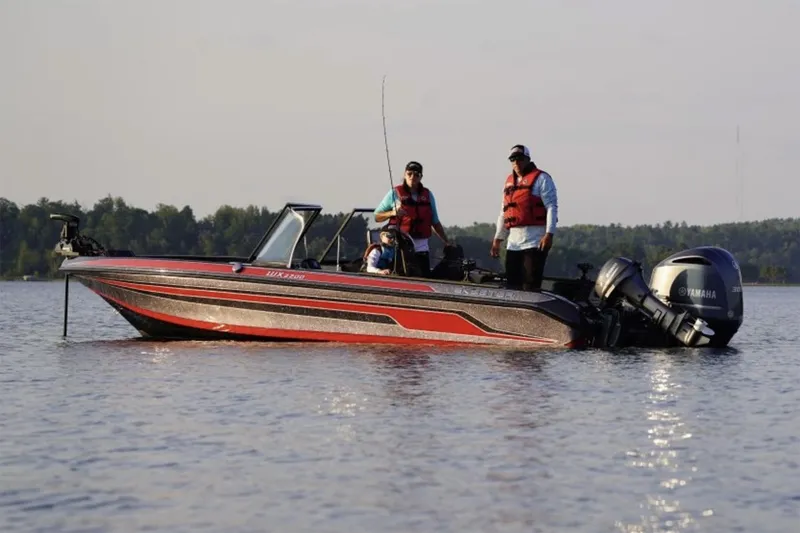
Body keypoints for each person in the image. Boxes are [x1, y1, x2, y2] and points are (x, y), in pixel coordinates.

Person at [490, 144, 558, 290]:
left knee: (530, 285)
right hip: (513, 243)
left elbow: (551, 207)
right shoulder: (509, 182)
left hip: (534, 242)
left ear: (527, 159)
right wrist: (497, 239)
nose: (516, 162)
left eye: (519, 158)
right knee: (512, 286)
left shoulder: (542, 179)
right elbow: (504, 212)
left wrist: (549, 234)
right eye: (513, 159)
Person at [374, 160, 451, 277]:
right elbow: (377, 216)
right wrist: (392, 212)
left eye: (416, 175)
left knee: (423, 274)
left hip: (421, 243)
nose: (412, 177)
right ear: (405, 174)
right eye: (409, 174)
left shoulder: (428, 195)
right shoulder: (394, 193)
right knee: (403, 272)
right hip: (401, 243)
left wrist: (446, 241)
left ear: (421, 177)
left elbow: (435, 222)